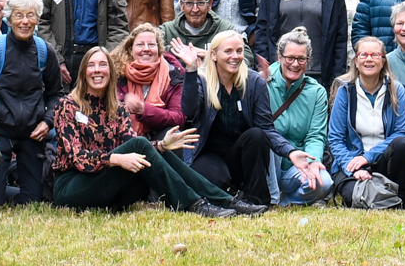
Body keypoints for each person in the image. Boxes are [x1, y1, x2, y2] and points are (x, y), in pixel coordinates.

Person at [48, 45, 252, 217]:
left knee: (145, 149)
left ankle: (228, 201)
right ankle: (195, 205)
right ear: (83, 72)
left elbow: (133, 145)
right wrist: (114, 160)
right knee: (140, 145)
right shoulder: (67, 105)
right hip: (72, 186)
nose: (97, 70)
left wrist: (162, 145)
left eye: (103, 65)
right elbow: (76, 157)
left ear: (110, 71)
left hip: (106, 187)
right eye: (91, 65)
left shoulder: (117, 108)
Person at [0, 0, 61, 205]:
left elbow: (56, 94)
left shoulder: (46, 51)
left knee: (33, 201)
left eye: (30, 15)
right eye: (18, 15)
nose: (25, 21)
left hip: (32, 135)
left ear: (38, 19)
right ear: (8, 19)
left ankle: (12, 176)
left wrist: (48, 123)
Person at [173, 31, 279, 208]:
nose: (235, 56)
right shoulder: (201, 79)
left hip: (240, 155)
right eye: (228, 51)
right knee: (212, 176)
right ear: (213, 55)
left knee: (257, 135)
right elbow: (188, 110)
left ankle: (257, 201)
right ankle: (235, 199)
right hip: (208, 154)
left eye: (239, 51)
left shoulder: (254, 81)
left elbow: (267, 128)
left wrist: (290, 152)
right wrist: (190, 69)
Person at [328, 37, 405, 207]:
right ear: (355, 61)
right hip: (353, 161)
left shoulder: (396, 90)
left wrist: (368, 157)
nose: (369, 59)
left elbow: (402, 133)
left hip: (386, 161)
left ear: (383, 61)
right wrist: (351, 166)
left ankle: (399, 201)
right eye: (363, 55)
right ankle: (389, 200)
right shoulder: (345, 91)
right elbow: (335, 139)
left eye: (375, 55)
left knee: (402, 145)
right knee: (352, 197)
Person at [264, 28, 336, 204]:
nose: (295, 64)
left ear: (308, 60)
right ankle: (271, 197)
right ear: (279, 57)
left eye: (301, 59)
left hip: (296, 166)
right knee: (266, 138)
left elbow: (315, 135)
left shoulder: (316, 92)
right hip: (267, 164)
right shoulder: (262, 82)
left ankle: (286, 201)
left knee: (323, 183)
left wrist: (312, 162)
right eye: (290, 58)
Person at [160, 0, 226, 55]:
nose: (195, 9)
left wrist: (209, 56)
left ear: (209, 5)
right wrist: (181, 51)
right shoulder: (167, 31)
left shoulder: (224, 30)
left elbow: (240, 58)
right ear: (181, 5)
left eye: (200, 3)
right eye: (189, 3)